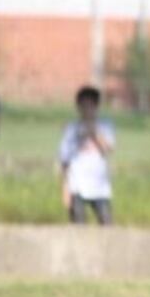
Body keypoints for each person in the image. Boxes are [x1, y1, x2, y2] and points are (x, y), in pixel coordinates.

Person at [59, 85, 115, 225]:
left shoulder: (105, 126)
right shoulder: (71, 129)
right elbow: (65, 159)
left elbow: (108, 149)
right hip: (77, 185)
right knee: (79, 226)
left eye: (90, 106)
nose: (87, 110)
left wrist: (94, 132)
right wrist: (65, 188)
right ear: (78, 107)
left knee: (107, 224)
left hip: (100, 187)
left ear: (96, 107)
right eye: (83, 106)